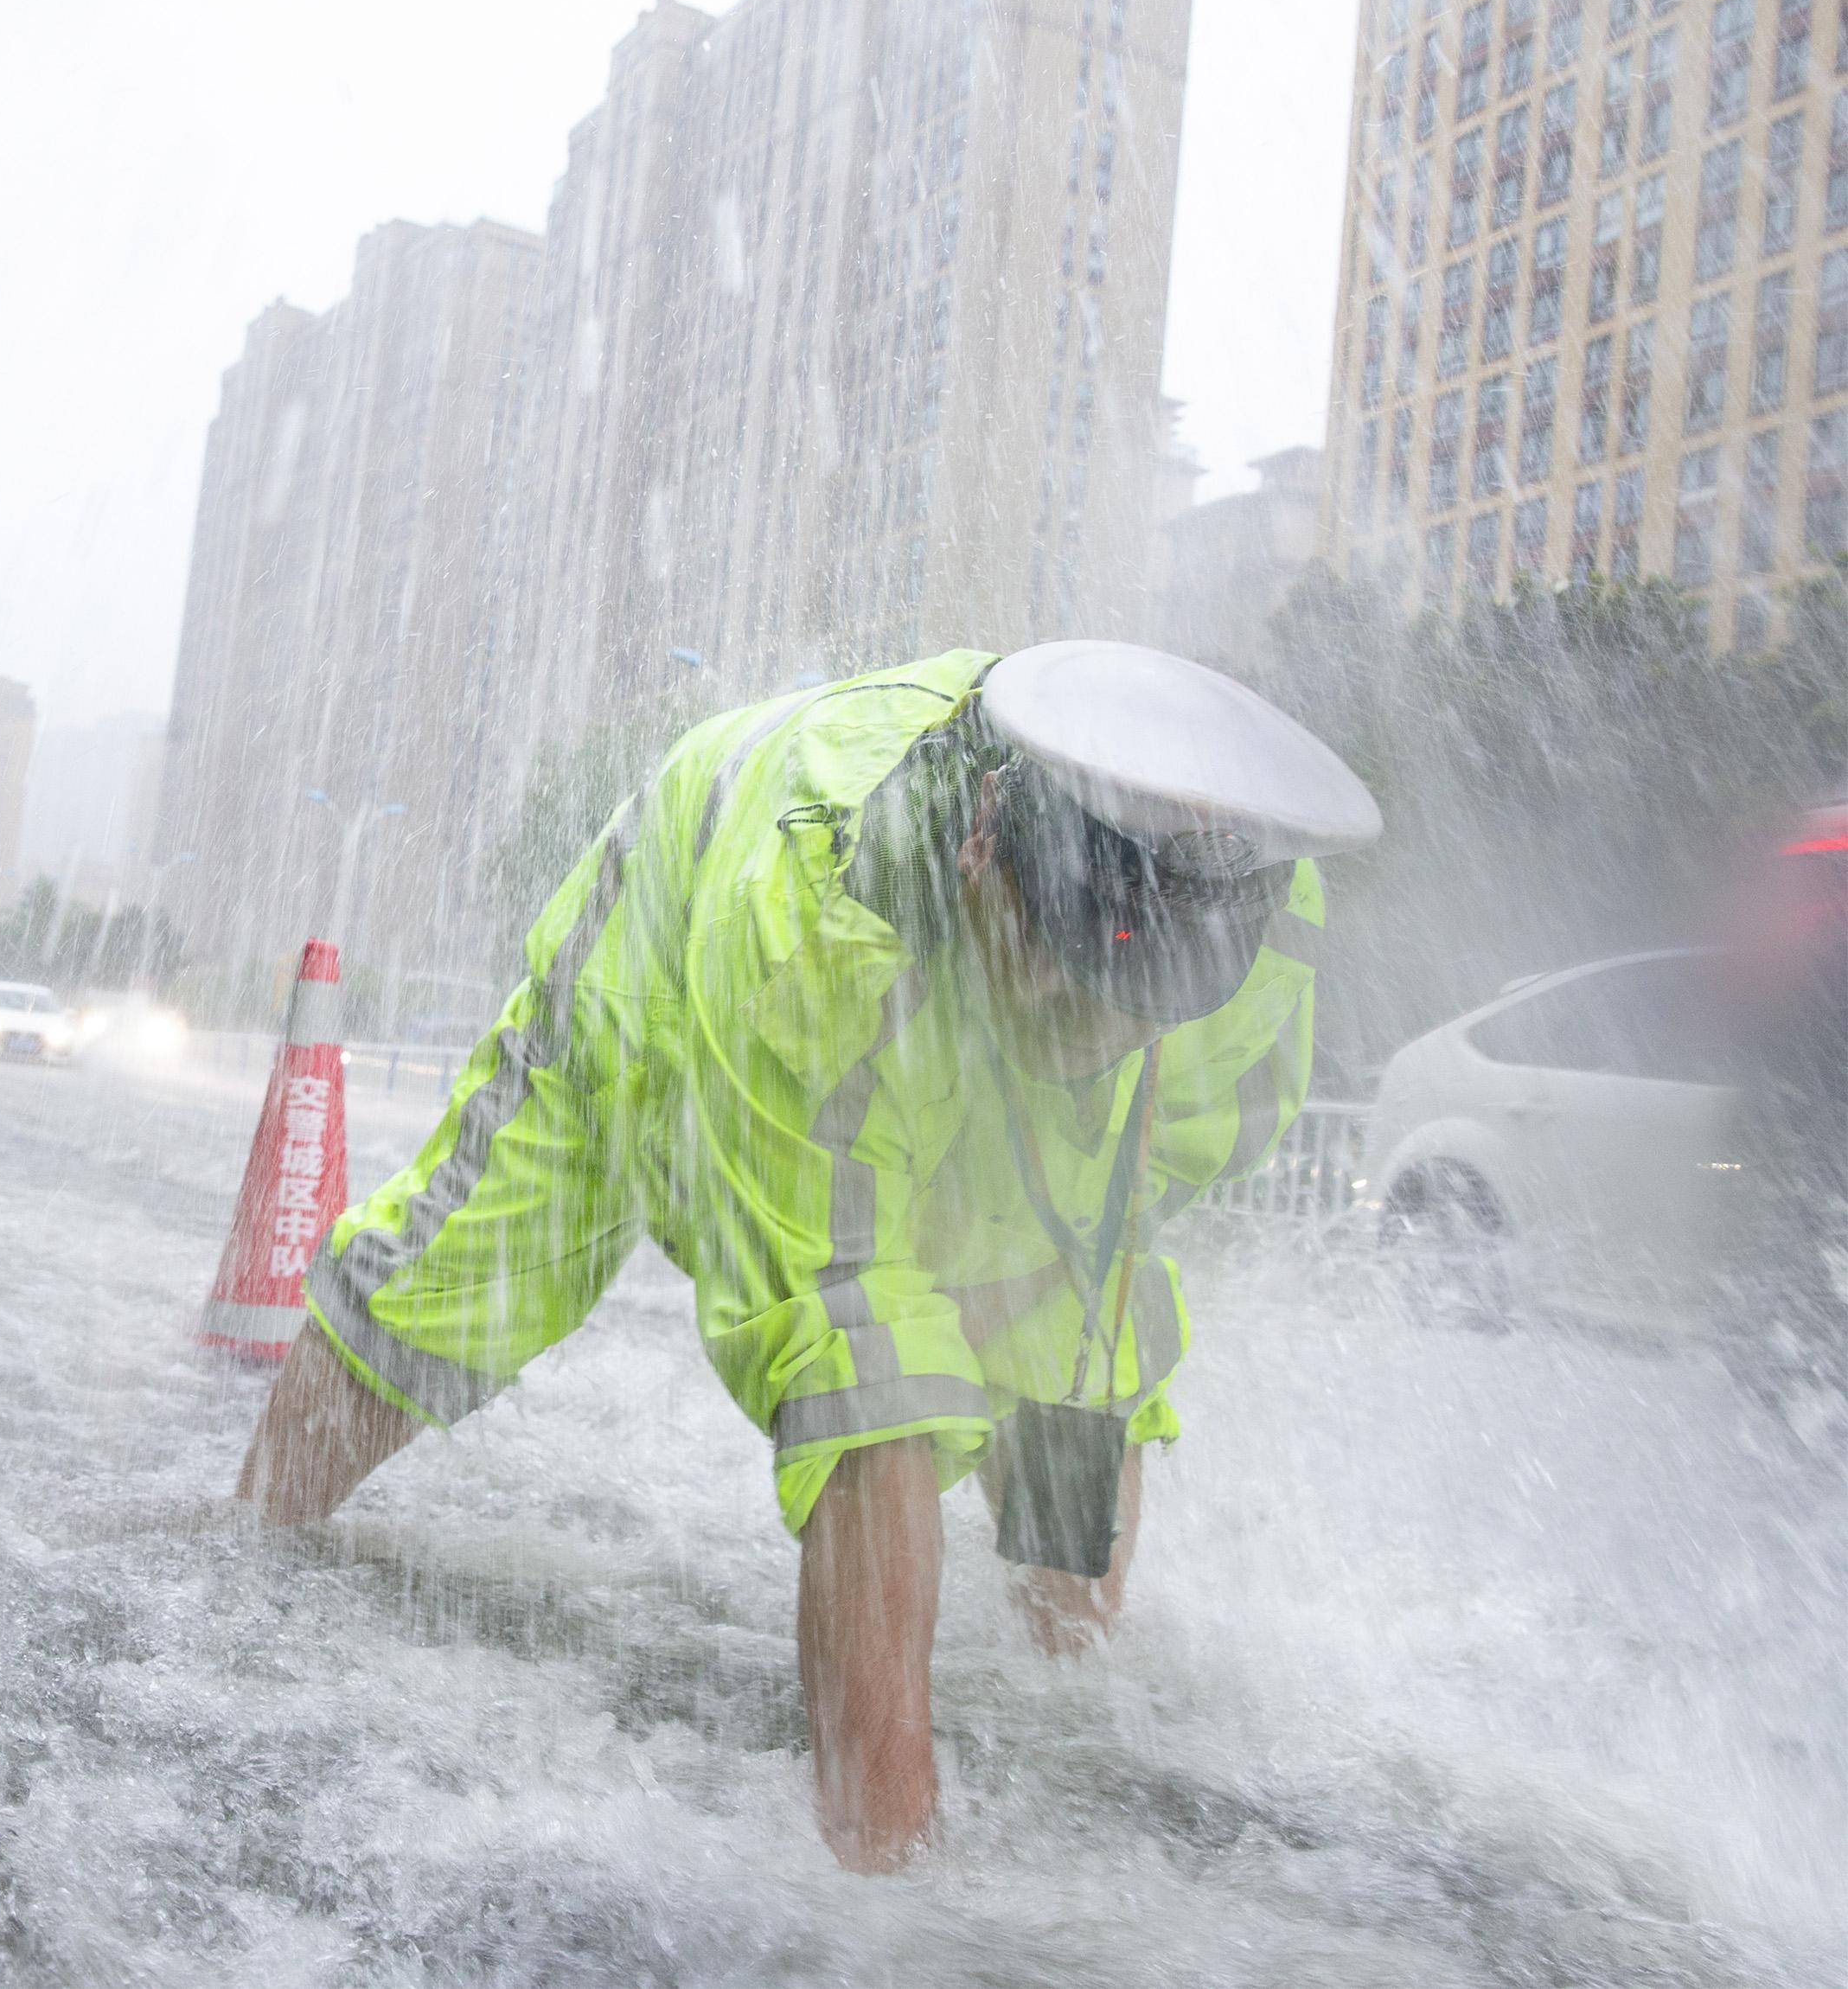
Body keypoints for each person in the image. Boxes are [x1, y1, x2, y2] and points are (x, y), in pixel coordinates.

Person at [235, 639, 1381, 1871]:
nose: (1081, 1045)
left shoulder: (1249, 933)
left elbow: (1113, 1240)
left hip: (968, 976)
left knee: (1078, 1349)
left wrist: (1022, 1301)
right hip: (681, 936)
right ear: (983, 847)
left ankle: (1075, 1675)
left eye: (1128, 1021)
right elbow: (859, 1387)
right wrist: (896, 1902)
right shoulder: (812, 922)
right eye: (1054, 998)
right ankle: (242, 1546)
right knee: (469, 1264)